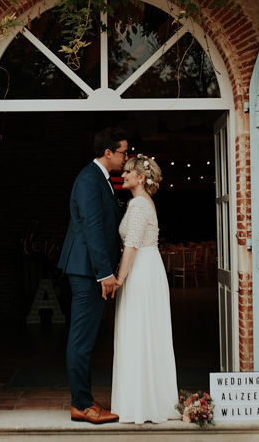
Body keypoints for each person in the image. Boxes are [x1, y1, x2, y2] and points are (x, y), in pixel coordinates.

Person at [58, 128, 128, 424]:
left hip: (89, 269)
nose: (127, 157)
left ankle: (84, 398)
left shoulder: (100, 178)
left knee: (85, 337)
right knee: (82, 339)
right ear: (108, 152)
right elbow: (92, 228)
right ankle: (81, 404)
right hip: (87, 270)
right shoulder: (89, 178)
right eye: (123, 152)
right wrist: (104, 274)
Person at [111, 155, 178, 423]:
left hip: (140, 269)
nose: (123, 175)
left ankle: (140, 404)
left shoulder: (139, 204)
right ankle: (147, 400)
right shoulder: (140, 202)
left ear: (141, 178)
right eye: (124, 171)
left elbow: (132, 245)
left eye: (128, 172)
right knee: (145, 332)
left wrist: (119, 278)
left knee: (138, 331)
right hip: (148, 266)